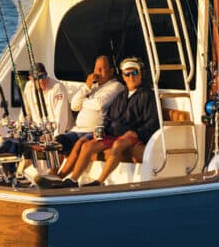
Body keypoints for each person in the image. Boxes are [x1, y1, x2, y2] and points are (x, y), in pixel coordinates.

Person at [38, 57, 160, 188]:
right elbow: (108, 117)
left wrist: (136, 133)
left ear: (141, 74)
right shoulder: (122, 96)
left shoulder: (147, 95)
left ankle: (98, 182)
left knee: (118, 144)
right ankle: (71, 180)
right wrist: (101, 130)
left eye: (134, 73)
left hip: (131, 136)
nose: (130, 77)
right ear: (123, 76)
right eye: (127, 74)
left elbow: (152, 122)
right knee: (87, 146)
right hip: (113, 134)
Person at [54, 55, 124, 157]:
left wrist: (84, 101)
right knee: (57, 143)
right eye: (96, 68)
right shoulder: (92, 87)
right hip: (78, 130)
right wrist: (86, 87)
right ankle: (53, 172)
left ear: (111, 71)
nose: (97, 72)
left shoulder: (116, 86)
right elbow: (74, 105)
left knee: (78, 145)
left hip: (94, 131)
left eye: (101, 69)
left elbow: (99, 104)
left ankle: (64, 173)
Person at [22, 62, 73, 133]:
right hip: (39, 132)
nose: (41, 81)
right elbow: (25, 113)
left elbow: (61, 119)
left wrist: (55, 139)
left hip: (61, 133)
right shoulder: (28, 87)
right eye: (37, 78)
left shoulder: (58, 88)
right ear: (30, 79)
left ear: (47, 74)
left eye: (43, 76)